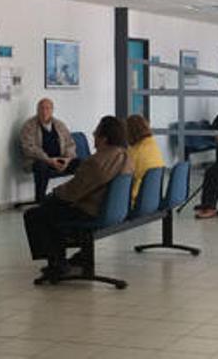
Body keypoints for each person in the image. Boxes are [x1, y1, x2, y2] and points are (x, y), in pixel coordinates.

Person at [23, 116, 134, 278]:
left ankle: (57, 264)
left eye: (96, 133)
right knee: (50, 210)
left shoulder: (96, 162)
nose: (93, 135)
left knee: (36, 214)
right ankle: (67, 259)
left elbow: (72, 192)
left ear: (104, 138)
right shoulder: (125, 156)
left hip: (90, 210)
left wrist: (52, 194)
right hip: (112, 209)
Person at [19, 98, 80, 204]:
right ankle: (40, 201)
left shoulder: (60, 125)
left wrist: (67, 159)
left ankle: (77, 197)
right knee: (41, 166)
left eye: (47, 108)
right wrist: (49, 160)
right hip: (40, 161)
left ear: (52, 110)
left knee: (81, 163)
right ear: (37, 110)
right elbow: (29, 148)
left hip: (61, 160)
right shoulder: (29, 125)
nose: (44, 111)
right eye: (41, 108)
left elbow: (70, 143)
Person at [125, 115, 165, 207]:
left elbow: (124, 177)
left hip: (135, 198)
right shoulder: (153, 145)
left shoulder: (134, 152)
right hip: (152, 196)